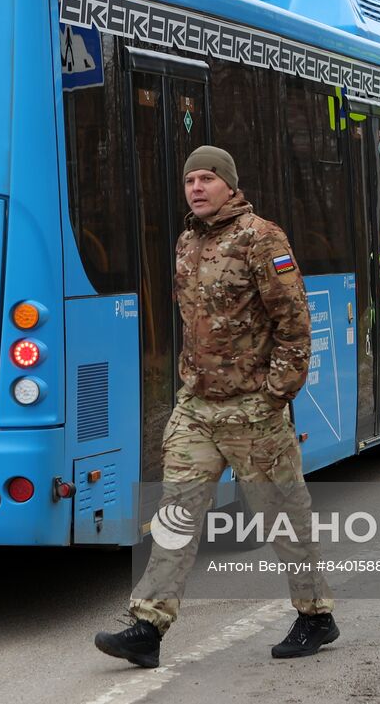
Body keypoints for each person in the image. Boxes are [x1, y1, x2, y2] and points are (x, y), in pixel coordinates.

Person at [94, 145, 337, 668]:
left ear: (230, 185)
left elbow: (294, 322)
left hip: (254, 409)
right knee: (175, 514)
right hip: (198, 407)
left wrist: (275, 394)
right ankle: (148, 627)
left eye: (207, 179)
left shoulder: (262, 238)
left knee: (283, 518)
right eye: (190, 181)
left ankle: (316, 615)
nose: (197, 188)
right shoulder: (186, 243)